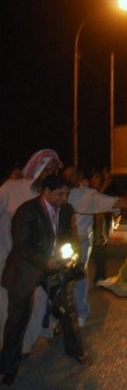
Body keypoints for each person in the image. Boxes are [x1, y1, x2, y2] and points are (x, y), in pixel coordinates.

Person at [1, 175, 88, 385]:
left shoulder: (66, 210)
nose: (64, 199)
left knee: (66, 309)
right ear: (46, 191)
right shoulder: (27, 210)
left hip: (54, 267)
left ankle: (76, 351)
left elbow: (71, 236)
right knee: (18, 318)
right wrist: (45, 261)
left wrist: (73, 254)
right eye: (60, 194)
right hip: (25, 269)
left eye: (67, 194)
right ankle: (8, 368)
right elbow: (22, 245)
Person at [63, 167, 127, 326]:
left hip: (81, 241)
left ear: (79, 177)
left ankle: (81, 312)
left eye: (73, 175)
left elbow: (101, 201)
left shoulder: (87, 194)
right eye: (66, 175)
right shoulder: (60, 192)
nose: (70, 178)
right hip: (62, 242)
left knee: (79, 274)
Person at [0, 150, 63, 352]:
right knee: (12, 310)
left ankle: (25, 347)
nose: (47, 174)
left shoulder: (53, 194)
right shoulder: (11, 188)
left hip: (42, 263)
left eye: (52, 171)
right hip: (11, 260)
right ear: (35, 168)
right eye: (45, 170)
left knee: (40, 303)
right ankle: (12, 350)